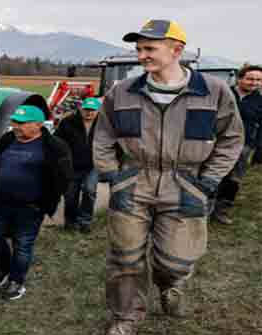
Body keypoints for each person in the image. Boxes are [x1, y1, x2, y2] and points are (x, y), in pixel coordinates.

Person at [93, 20, 243, 335]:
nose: (141, 55)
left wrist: (210, 179)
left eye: (149, 48)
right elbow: (104, 135)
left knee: (176, 260)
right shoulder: (121, 92)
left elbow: (231, 138)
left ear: (176, 50)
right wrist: (112, 175)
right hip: (134, 181)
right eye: (138, 49)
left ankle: (169, 283)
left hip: (186, 184)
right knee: (125, 256)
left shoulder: (214, 91)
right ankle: (125, 317)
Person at [0, 105, 73, 300]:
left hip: (31, 207)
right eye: (14, 121)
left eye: (21, 123)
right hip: (1, 202)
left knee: (22, 245)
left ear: (39, 125)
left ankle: (17, 281)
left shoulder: (55, 146)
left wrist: (47, 203)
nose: (15, 126)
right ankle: (4, 269)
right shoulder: (7, 140)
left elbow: (63, 178)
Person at [213, 65, 262, 224]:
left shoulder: (259, 100)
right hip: (216, 142)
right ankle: (202, 208)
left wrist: (259, 149)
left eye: (258, 80)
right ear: (239, 78)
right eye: (250, 78)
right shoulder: (223, 94)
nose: (254, 83)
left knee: (234, 179)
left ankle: (222, 210)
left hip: (243, 145)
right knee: (211, 174)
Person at [55, 97, 102, 233]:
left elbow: (113, 142)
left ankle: (85, 221)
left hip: (93, 165)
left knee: (89, 190)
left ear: (98, 111)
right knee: (70, 195)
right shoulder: (68, 122)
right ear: (81, 109)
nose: (89, 113)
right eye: (86, 109)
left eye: (93, 110)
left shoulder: (104, 125)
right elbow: (57, 142)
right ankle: (70, 222)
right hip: (71, 166)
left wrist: (113, 158)